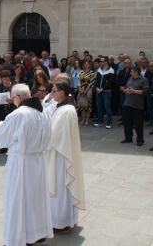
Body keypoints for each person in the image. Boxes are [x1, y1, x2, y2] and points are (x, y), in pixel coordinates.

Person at [0, 84, 53, 246]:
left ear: (17, 98)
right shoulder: (43, 113)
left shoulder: (19, 114)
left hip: (21, 162)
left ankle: (17, 238)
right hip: (37, 160)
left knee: (18, 200)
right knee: (34, 200)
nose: (12, 101)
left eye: (12, 98)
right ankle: (34, 234)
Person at [44, 80, 85, 232]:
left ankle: (61, 221)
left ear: (62, 92)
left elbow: (54, 134)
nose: (52, 93)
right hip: (58, 152)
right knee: (59, 187)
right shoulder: (61, 107)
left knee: (60, 187)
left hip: (61, 156)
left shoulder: (67, 110)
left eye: (54, 91)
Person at [121, 67, 149, 146]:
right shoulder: (130, 78)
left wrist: (134, 91)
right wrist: (126, 90)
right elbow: (126, 87)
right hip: (128, 103)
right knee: (127, 122)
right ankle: (128, 137)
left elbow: (145, 91)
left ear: (136, 72)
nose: (130, 73)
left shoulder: (144, 79)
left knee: (138, 123)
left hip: (137, 105)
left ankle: (140, 140)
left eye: (132, 71)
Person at [94, 57, 116, 129]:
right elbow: (97, 80)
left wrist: (102, 88)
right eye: (100, 61)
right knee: (99, 106)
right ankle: (100, 121)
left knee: (107, 107)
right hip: (99, 91)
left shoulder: (111, 70)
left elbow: (110, 82)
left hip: (106, 91)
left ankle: (109, 123)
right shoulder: (100, 70)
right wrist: (97, 88)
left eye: (102, 61)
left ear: (106, 62)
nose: (101, 63)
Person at [77, 61, 95, 125]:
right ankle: (83, 118)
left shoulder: (92, 73)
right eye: (85, 64)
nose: (86, 65)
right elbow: (79, 81)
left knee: (88, 104)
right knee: (82, 104)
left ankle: (87, 119)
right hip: (81, 88)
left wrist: (86, 90)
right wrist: (80, 89)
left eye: (87, 64)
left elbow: (91, 83)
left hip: (88, 88)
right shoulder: (82, 72)